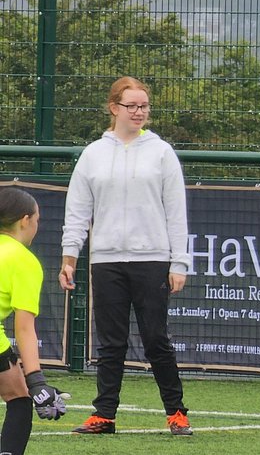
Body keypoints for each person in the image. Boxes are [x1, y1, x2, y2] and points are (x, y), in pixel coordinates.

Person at [60, 76, 193, 436]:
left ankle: (177, 414)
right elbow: (77, 210)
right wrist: (69, 256)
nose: (139, 112)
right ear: (113, 108)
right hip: (106, 261)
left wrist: (179, 262)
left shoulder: (162, 152)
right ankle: (104, 416)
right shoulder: (93, 154)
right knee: (110, 342)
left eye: (144, 106)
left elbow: (175, 212)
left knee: (156, 339)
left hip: (152, 260)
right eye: (132, 106)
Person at [0, 187, 68, 455]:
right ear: (25, 221)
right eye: (38, 219)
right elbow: (25, 327)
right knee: (20, 395)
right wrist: (37, 379)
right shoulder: (23, 260)